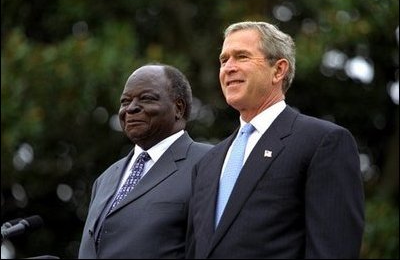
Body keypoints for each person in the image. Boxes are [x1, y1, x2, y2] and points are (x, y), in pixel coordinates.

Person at [186, 21, 364, 259]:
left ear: (278, 70)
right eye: (223, 60)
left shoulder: (322, 142)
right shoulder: (207, 163)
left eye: (241, 56)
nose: (228, 67)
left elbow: (333, 249)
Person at [78, 63, 212, 258]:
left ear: (178, 108)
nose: (130, 109)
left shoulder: (208, 162)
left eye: (146, 99)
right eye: (125, 102)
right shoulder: (105, 179)